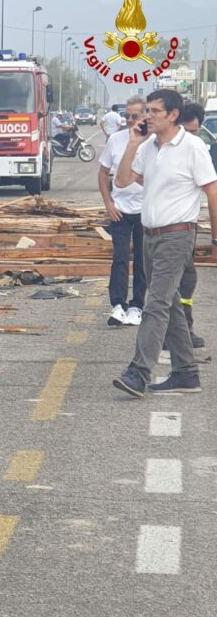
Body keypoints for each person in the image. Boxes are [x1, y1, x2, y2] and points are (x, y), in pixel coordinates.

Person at [112, 89, 217, 397]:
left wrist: (215, 237)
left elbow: (212, 190)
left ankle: (138, 372)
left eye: (155, 111)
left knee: (154, 303)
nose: (148, 116)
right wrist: (132, 143)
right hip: (150, 236)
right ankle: (186, 373)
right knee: (168, 305)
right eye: (147, 110)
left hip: (177, 234)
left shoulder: (193, 147)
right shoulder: (148, 147)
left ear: (173, 115)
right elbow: (121, 180)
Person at [162, 101, 215, 349]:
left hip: (185, 229)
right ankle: (175, 334)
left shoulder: (197, 150)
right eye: (187, 131)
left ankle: (182, 329)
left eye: (195, 132)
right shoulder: (161, 149)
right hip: (165, 229)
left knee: (186, 281)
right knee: (172, 283)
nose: (191, 137)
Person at [98, 95, 147, 327]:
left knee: (141, 260)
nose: (129, 120)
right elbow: (102, 173)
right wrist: (108, 204)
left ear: (145, 116)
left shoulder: (154, 141)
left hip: (145, 212)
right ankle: (118, 305)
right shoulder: (115, 140)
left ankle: (137, 305)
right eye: (127, 115)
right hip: (120, 210)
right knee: (119, 258)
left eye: (134, 116)